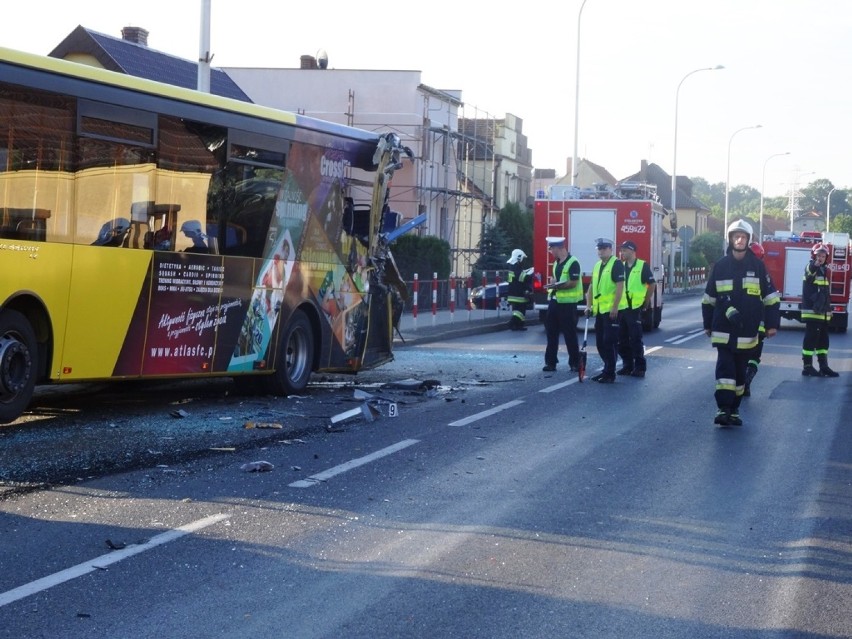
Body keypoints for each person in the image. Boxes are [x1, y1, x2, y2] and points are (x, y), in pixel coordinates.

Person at [702, 220, 780, 426]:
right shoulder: (720, 266)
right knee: (725, 370)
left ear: (748, 240)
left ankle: (734, 409)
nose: (739, 240)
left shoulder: (758, 267)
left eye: (743, 237)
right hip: (723, 330)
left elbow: (771, 298)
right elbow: (708, 299)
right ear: (730, 239)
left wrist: (772, 325)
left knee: (739, 373)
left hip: (747, 332)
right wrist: (707, 324)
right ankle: (723, 409)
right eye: (736, 236)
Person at [584, 238, 626, 383]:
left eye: (604, 248)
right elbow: (591, 287)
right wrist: (588, 305)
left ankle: (610, 372)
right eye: (599, 248)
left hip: (613, 311)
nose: (600, 251)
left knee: (609, 341)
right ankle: (607, 368)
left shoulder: (616, 264)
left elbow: (620, 286)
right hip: (600, 310)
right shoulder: (597, 266)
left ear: (610, 249)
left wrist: (615, 306)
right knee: (600, 342)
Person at [542, 236, 582, 372]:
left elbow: (573, 282)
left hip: (568, 304)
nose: (551, 252)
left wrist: (557, 286)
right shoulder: (557, 262)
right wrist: (553, 282)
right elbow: (556, 278)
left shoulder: (573, 262)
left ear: (559, 248)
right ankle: (551, 362)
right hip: (555, 302)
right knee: (551, 333)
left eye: (552, 249)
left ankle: (575, 363)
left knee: (569, 334)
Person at [616, 240, 656, 378]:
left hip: (634, 308)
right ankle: (627, 365)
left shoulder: (642, 265)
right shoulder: (620, 266)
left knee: (635, 339)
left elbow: (651, 284)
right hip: (622, 307)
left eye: (625, 250)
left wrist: (646, 300)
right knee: (621, 339)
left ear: (632, 251)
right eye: (621, 250)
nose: (622, 253)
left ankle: (640, 367)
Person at [801, 242, 839, 377]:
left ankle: (824, 366)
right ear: (814, 255)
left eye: (823, 255)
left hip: (822, 314)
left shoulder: (824, 271)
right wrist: (815, 263)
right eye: (819, 255)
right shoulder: (811, 267)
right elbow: (811, 270)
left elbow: (825, 294)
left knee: (823, 341)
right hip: (813, 312)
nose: (821, 258)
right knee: (810, 339)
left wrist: (829, 310)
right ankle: (807, 366)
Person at [744, 241, 768, 396]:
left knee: (740, 356)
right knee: (754, 357)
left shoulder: (737, 273)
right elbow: (770, 301)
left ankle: (739, 383)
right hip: (759, 327)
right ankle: (746, 382)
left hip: (741, 325)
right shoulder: (763, 276)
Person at [506, 248, 533, 331]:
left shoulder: (513, 266)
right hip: (517, 294)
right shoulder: (516, 266)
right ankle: (512, 323)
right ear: (519, 257)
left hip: (514, 292)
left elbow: (519, 275)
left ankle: (518, 326)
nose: (522, 260)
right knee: (520, 311)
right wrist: (530, 274)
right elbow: (522, 277)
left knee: (518, 311)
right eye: (522, 258)